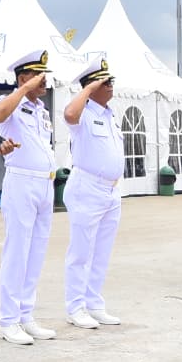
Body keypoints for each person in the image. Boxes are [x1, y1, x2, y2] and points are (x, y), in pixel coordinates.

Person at [0, 48, 58, 345]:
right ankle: (7, 319)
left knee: (36, 253)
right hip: (21, 183)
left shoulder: (40, 110)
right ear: (23, 77)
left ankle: (26, 314)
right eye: (38, 75)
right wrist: (24, 89)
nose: (44, 81)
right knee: (17, 252)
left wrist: (32, 92)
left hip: (45, 184)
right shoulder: (10, 103)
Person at [61, 55, 124, 329]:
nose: (111, 86)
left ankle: (94, 303)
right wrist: (86, 89)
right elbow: (69, 115)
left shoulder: (109, 115)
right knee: (81, 252)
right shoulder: (83, 113)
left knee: (101, 252)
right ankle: (75, 307)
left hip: (110, 190)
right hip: (87, 187)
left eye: (111, 81)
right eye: (105, 82)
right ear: (91, 86)